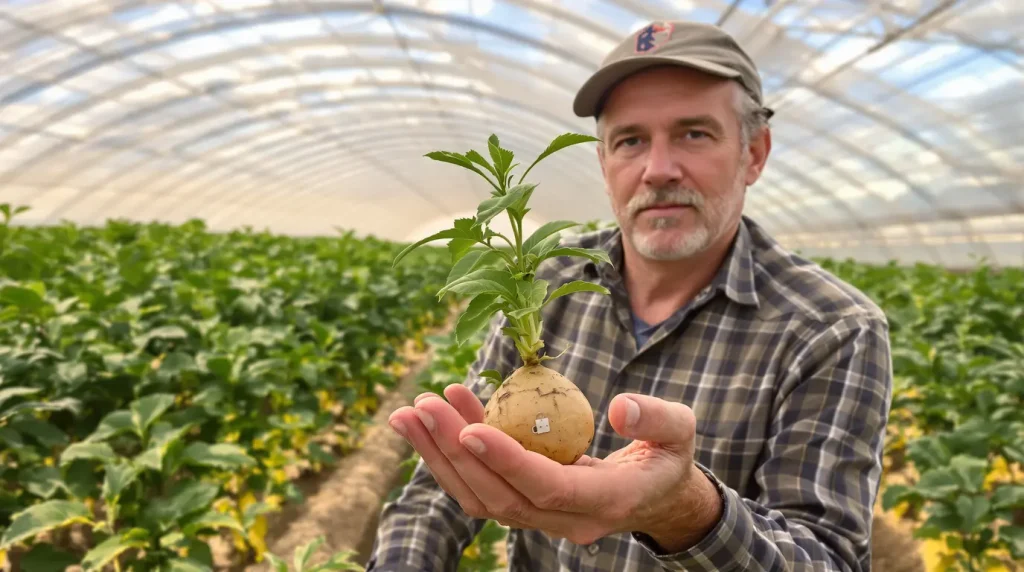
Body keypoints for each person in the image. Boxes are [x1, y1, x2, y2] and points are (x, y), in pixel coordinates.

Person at [366, 20, 892, 572]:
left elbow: (829, 558)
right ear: (603, 162)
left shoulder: (835, 328)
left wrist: (688, 512)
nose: (657, 170)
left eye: (694, 133)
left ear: (754, 153)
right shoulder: (537, 281)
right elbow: (440, 489)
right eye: (630, 140)